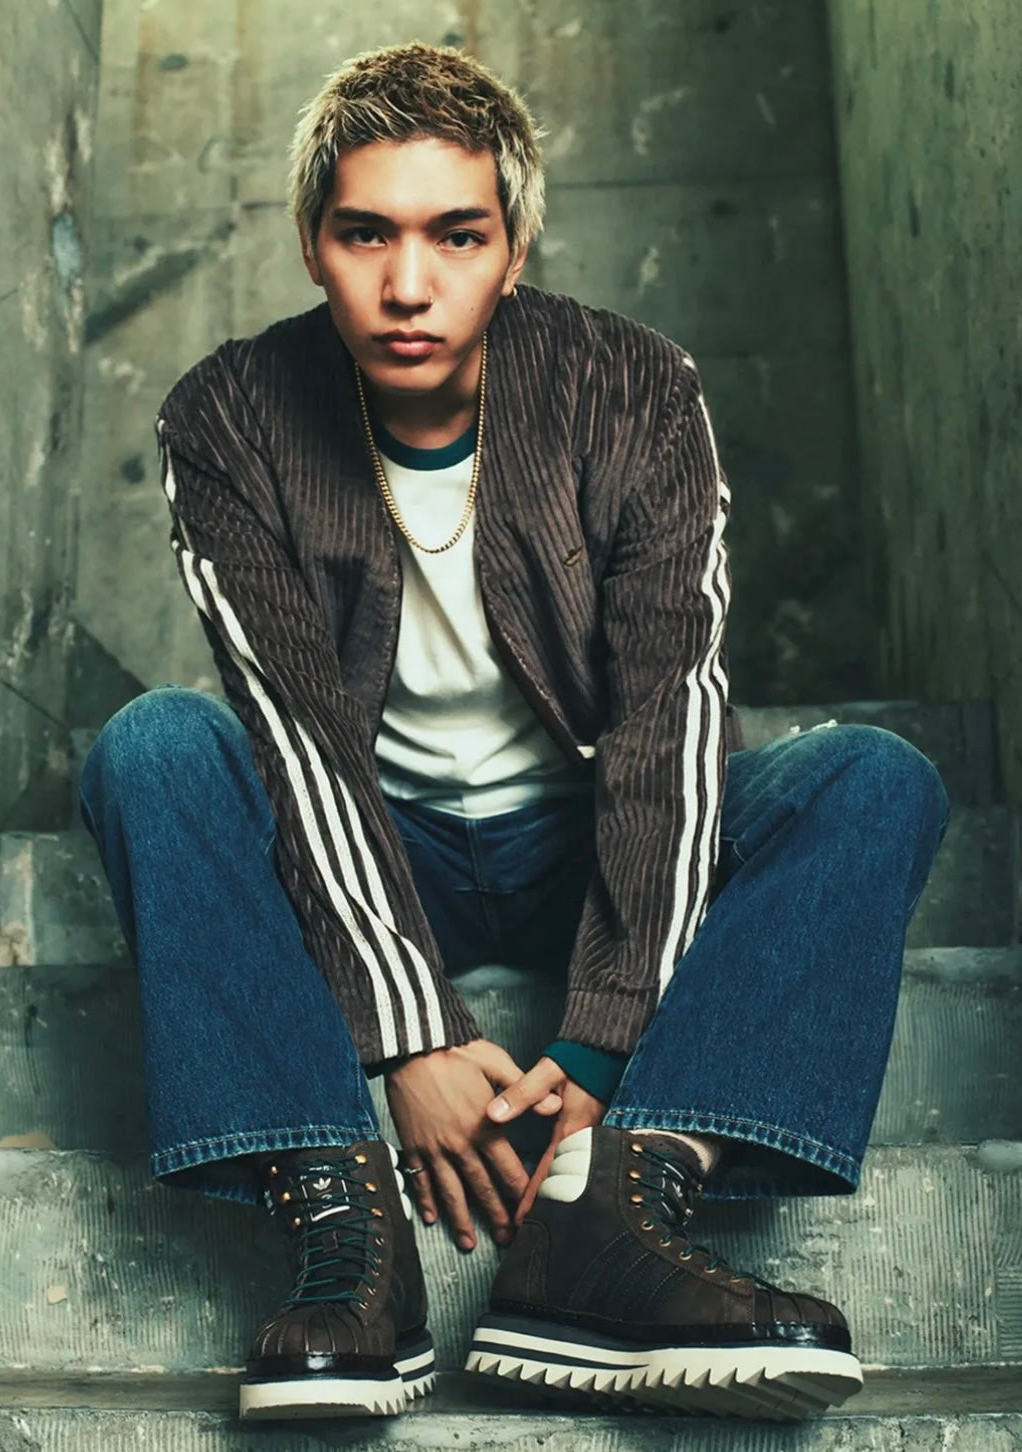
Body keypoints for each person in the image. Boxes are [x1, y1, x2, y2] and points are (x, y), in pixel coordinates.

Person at [79, 42, 949, 1422]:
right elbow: (296, 740)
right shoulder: (230, 415)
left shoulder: (632, 386)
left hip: (586, 837)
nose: (407, 284)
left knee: (871, 780)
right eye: (366, 233)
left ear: (514, 246)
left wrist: (601, 1044)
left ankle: (619, 1211)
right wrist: (410, 1038)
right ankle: (347, 1233)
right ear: (312, 244)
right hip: (372, 849)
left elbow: (669, 715)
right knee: (154, 749)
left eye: (456, 235)